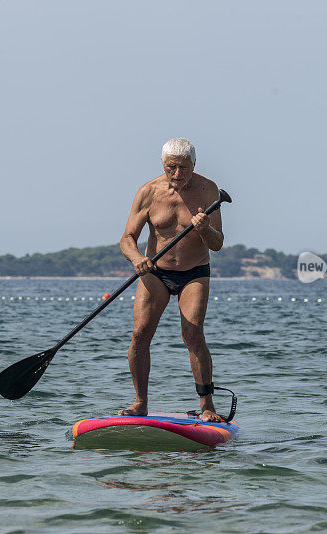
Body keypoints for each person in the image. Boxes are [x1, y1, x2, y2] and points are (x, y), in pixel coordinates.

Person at [119, 138, 225, 422]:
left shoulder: (208, 191)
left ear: (194, 165)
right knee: (140, 334)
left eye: (184, 168)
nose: (178, 174)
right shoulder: (148, 192)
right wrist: (137, 258)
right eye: (171, 168)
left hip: (194, 273)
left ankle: (207, 406)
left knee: (192, 334)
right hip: (155, 271)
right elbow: (127, 238)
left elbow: (217, 243)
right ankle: (140, 402)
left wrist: (204, 230)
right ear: (163, 165)